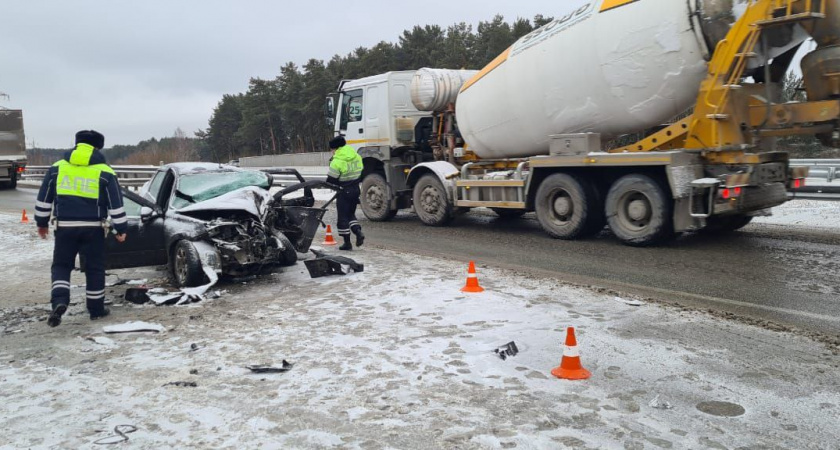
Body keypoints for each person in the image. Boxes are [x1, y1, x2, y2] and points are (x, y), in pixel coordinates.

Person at [34, 130, 128, 327]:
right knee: (95, 268)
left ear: (76, 145)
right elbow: (116, 204)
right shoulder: (105, 171)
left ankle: (59, 302)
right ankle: (96, 309)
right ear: (98, 148)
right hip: (94, 228)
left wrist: (41, 223)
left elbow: (44, 199)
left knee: (61, 266)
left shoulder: (57, 168)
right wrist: (120, 228)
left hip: (65, 227)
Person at [325, 136, 364, 251]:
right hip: (356, 189)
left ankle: (347, 243)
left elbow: (331, 180)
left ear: (335, 148)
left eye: (331, 149)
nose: (331, 151)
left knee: (342, 217)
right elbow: (361, 172)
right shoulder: (357, 156)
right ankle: (358, 231)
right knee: (350, 214)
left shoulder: (337, 161)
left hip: (343, 191)